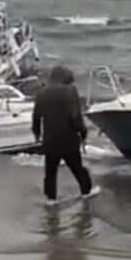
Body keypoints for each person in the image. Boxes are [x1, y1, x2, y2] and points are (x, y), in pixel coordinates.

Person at [32, 65, 95, 203]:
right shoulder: (70, 91)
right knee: (77, 169)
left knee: (50, 172)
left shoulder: (41, 93)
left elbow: (36, 117)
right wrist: (83, 132)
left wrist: (37, 134)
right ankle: (86, 193)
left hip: (50, 140)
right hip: (68, 139)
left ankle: (51, 200)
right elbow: (75, 117)